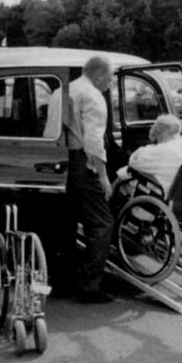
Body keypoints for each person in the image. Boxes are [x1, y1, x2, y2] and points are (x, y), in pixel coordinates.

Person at [43, 56, 115, 303]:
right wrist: (103, 176)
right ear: (98, 76)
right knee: (102, 224)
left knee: (64, 224)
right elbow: (94, 141)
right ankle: (89, 285)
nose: (111, 82)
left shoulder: (60, 91)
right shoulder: (93, 96)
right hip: (81, 163)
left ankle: (61, 283)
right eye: (110, 77)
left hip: (57, 160)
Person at [114, 114, 182, 199]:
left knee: (125, 178)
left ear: (160, 135)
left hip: (163, 195)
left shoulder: (161, 150)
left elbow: (133, 162)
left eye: (156, 139)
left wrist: (151, 147)